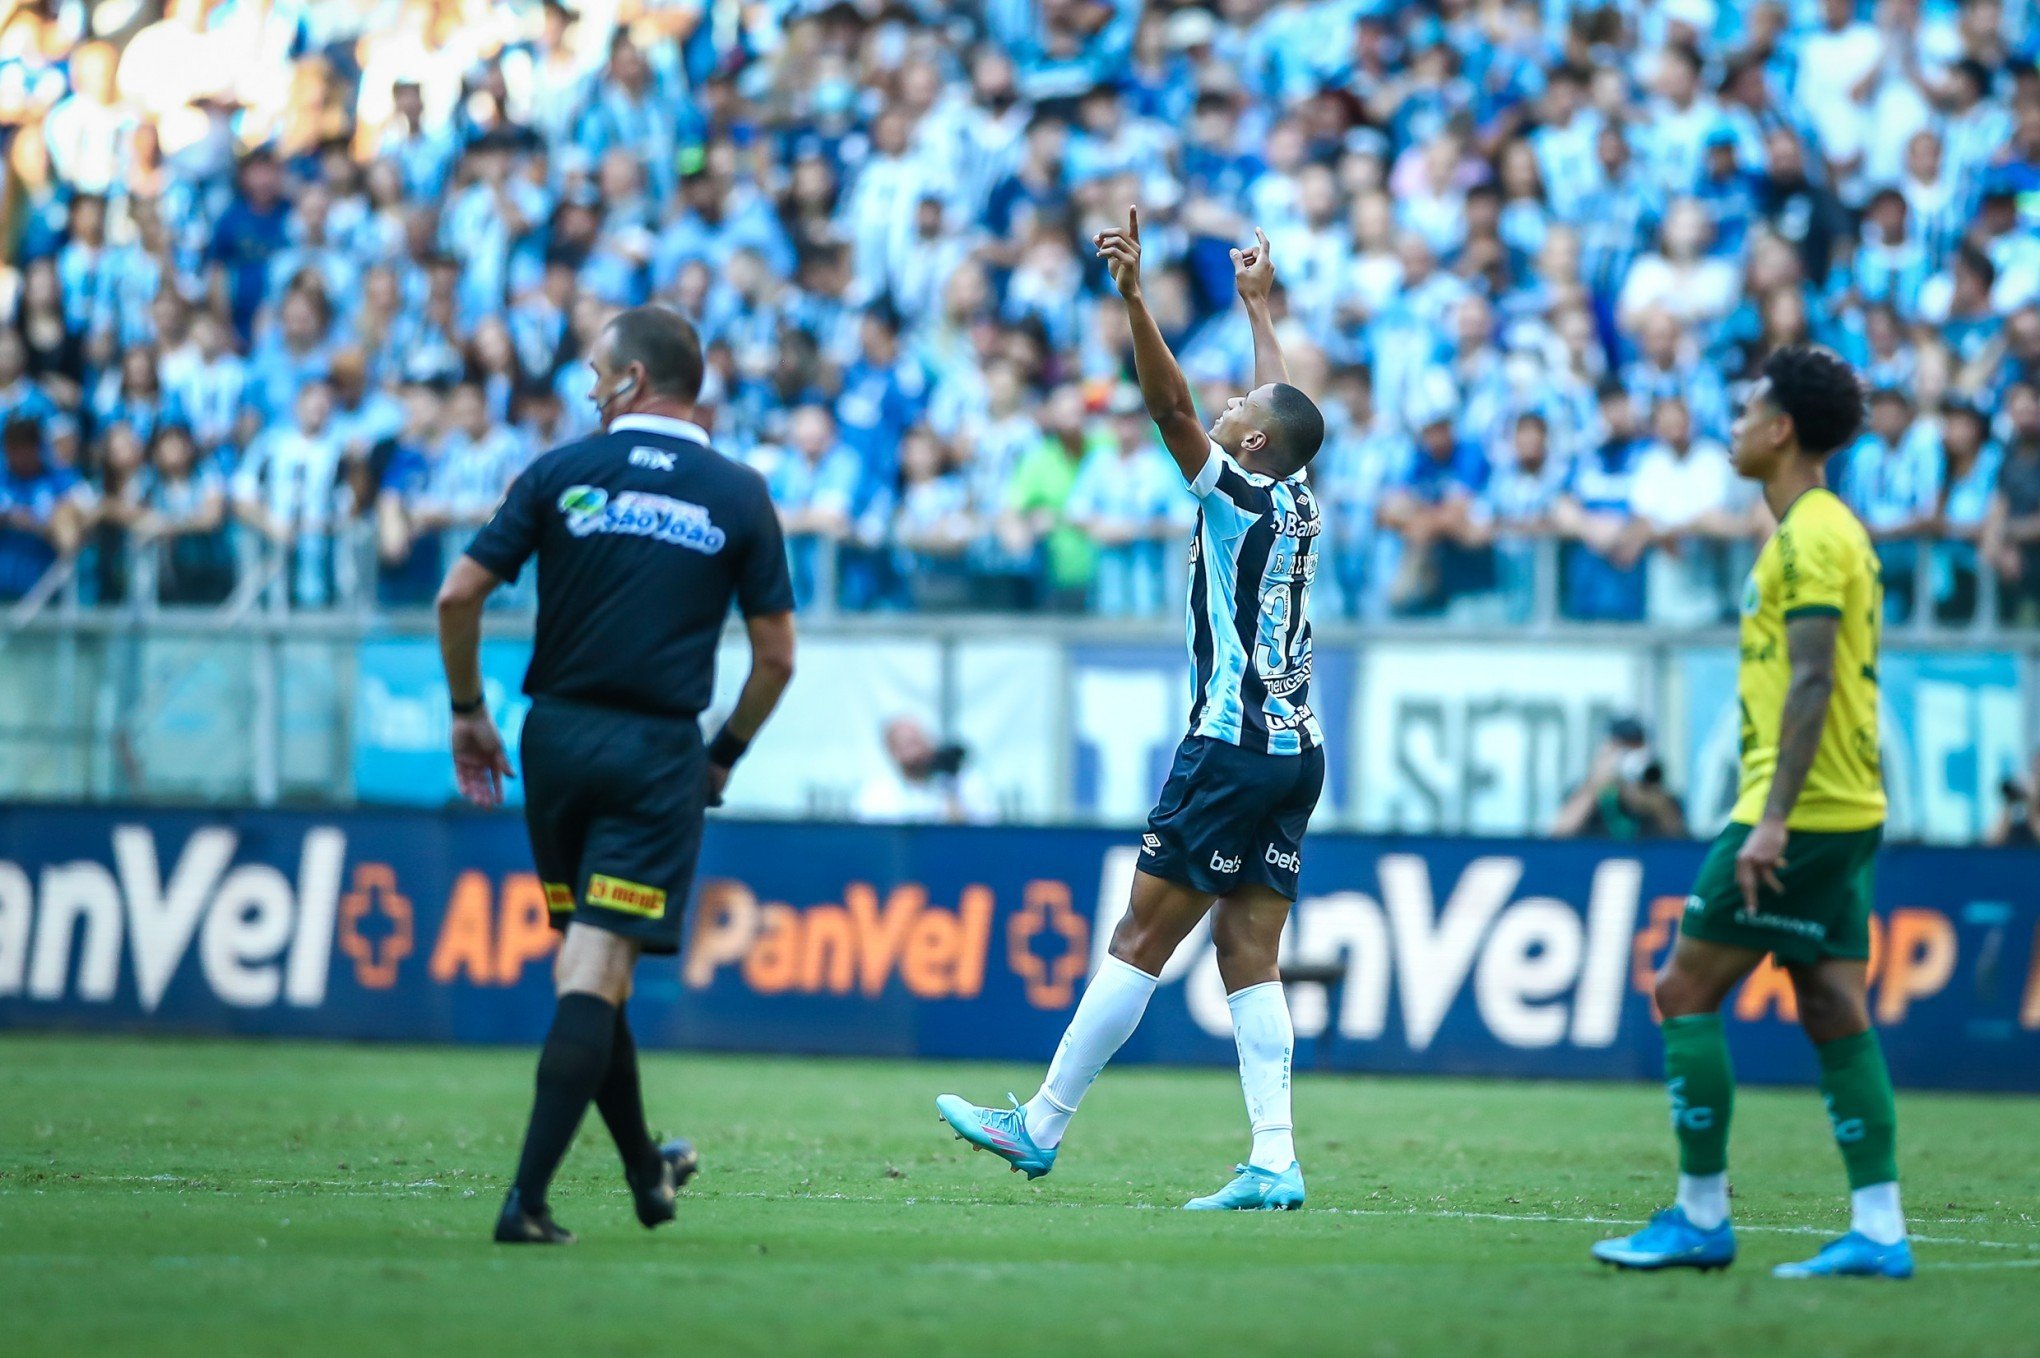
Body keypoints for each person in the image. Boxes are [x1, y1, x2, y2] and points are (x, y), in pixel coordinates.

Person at [937, 213, 1327, 1212]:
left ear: (1246, 442)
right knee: (1248, 948)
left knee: (1140, 935)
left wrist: (1135, 297)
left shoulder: (1236, 489)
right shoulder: (1295, 489)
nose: (1234, 397)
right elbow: (1278, 408)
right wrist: (1257, 309)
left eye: (1239, 403)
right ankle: (1275, 1156)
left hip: (1230, 746)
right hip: (1296, 752)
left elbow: (1169, 408)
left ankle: (1043, 1123)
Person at [436, 305, 797, 1244]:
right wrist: (724, 755)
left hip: (553, 740)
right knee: (597, 966)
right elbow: (776, 662)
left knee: (592, 964)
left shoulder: (559, 471)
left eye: (596, 371)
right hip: (653, 752)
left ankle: (645, 1169)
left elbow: (458, 593)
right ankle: (527, 1202)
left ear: (633, 382)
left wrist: (469, 713)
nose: (587, 387)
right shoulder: (740, 492)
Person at [1593, 345, 1911, 1280]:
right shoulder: (1816, 529)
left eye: (1744, 413)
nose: (1731, 427)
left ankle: (1699, 1217)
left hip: (1800, 809)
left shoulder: (1814, 535)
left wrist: (1769, 822)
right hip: (1844, 806)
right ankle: (1881, 1229)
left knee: (1683, 991)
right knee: (1830, 1002)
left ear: (1780, 430)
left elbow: (1812, 679)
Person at [1552, 717, 1686, 840]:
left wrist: (1656, 803)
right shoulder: (1583, 793)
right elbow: (1558, 837)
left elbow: (1682, 843)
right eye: (1622, 749)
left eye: (1635, 749)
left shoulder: (1661, 797)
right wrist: (1595, 786)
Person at [853, 717, 988, 824]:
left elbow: (988, 826)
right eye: (908, 744)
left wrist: (952, 793)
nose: (917, 751)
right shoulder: (876, 792)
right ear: (892, 750)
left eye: (919, 741)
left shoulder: (964, 783)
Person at [1987, 748, 2040, 847]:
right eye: (2035, 771)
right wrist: (2009, 802)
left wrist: (2032, 804)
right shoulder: (2019, 817)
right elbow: (1992, 841)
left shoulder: (2032, 812)